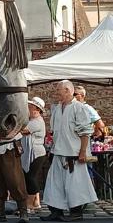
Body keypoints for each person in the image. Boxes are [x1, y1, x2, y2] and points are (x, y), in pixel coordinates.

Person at [41, 80, 97, 221]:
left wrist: (83, 152)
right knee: (55, 185)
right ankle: (56, 212)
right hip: (58, 152)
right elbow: (55, 131)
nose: (56, 92)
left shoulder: (79, 108)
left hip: (73, 155)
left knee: (75, 186)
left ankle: (76, 213)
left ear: (67, 90)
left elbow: (85, 133)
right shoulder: (57, 108)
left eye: (59, 90)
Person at [0, 129, 28, 222]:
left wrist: (8, 133)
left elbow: (23, 125)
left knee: (15, 180)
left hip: (9, 147)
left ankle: (23, 212)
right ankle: (0, 213)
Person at [21, 96, 47, 213]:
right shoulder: (32, 120)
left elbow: (24, 130)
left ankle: (29, 204)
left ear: (37, 109)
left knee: (30, 177)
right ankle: (36, 202)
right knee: (31, 177)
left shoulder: (37, 122)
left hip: (36, 153)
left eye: (30, 107)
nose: (28, 109)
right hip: (31, 152)